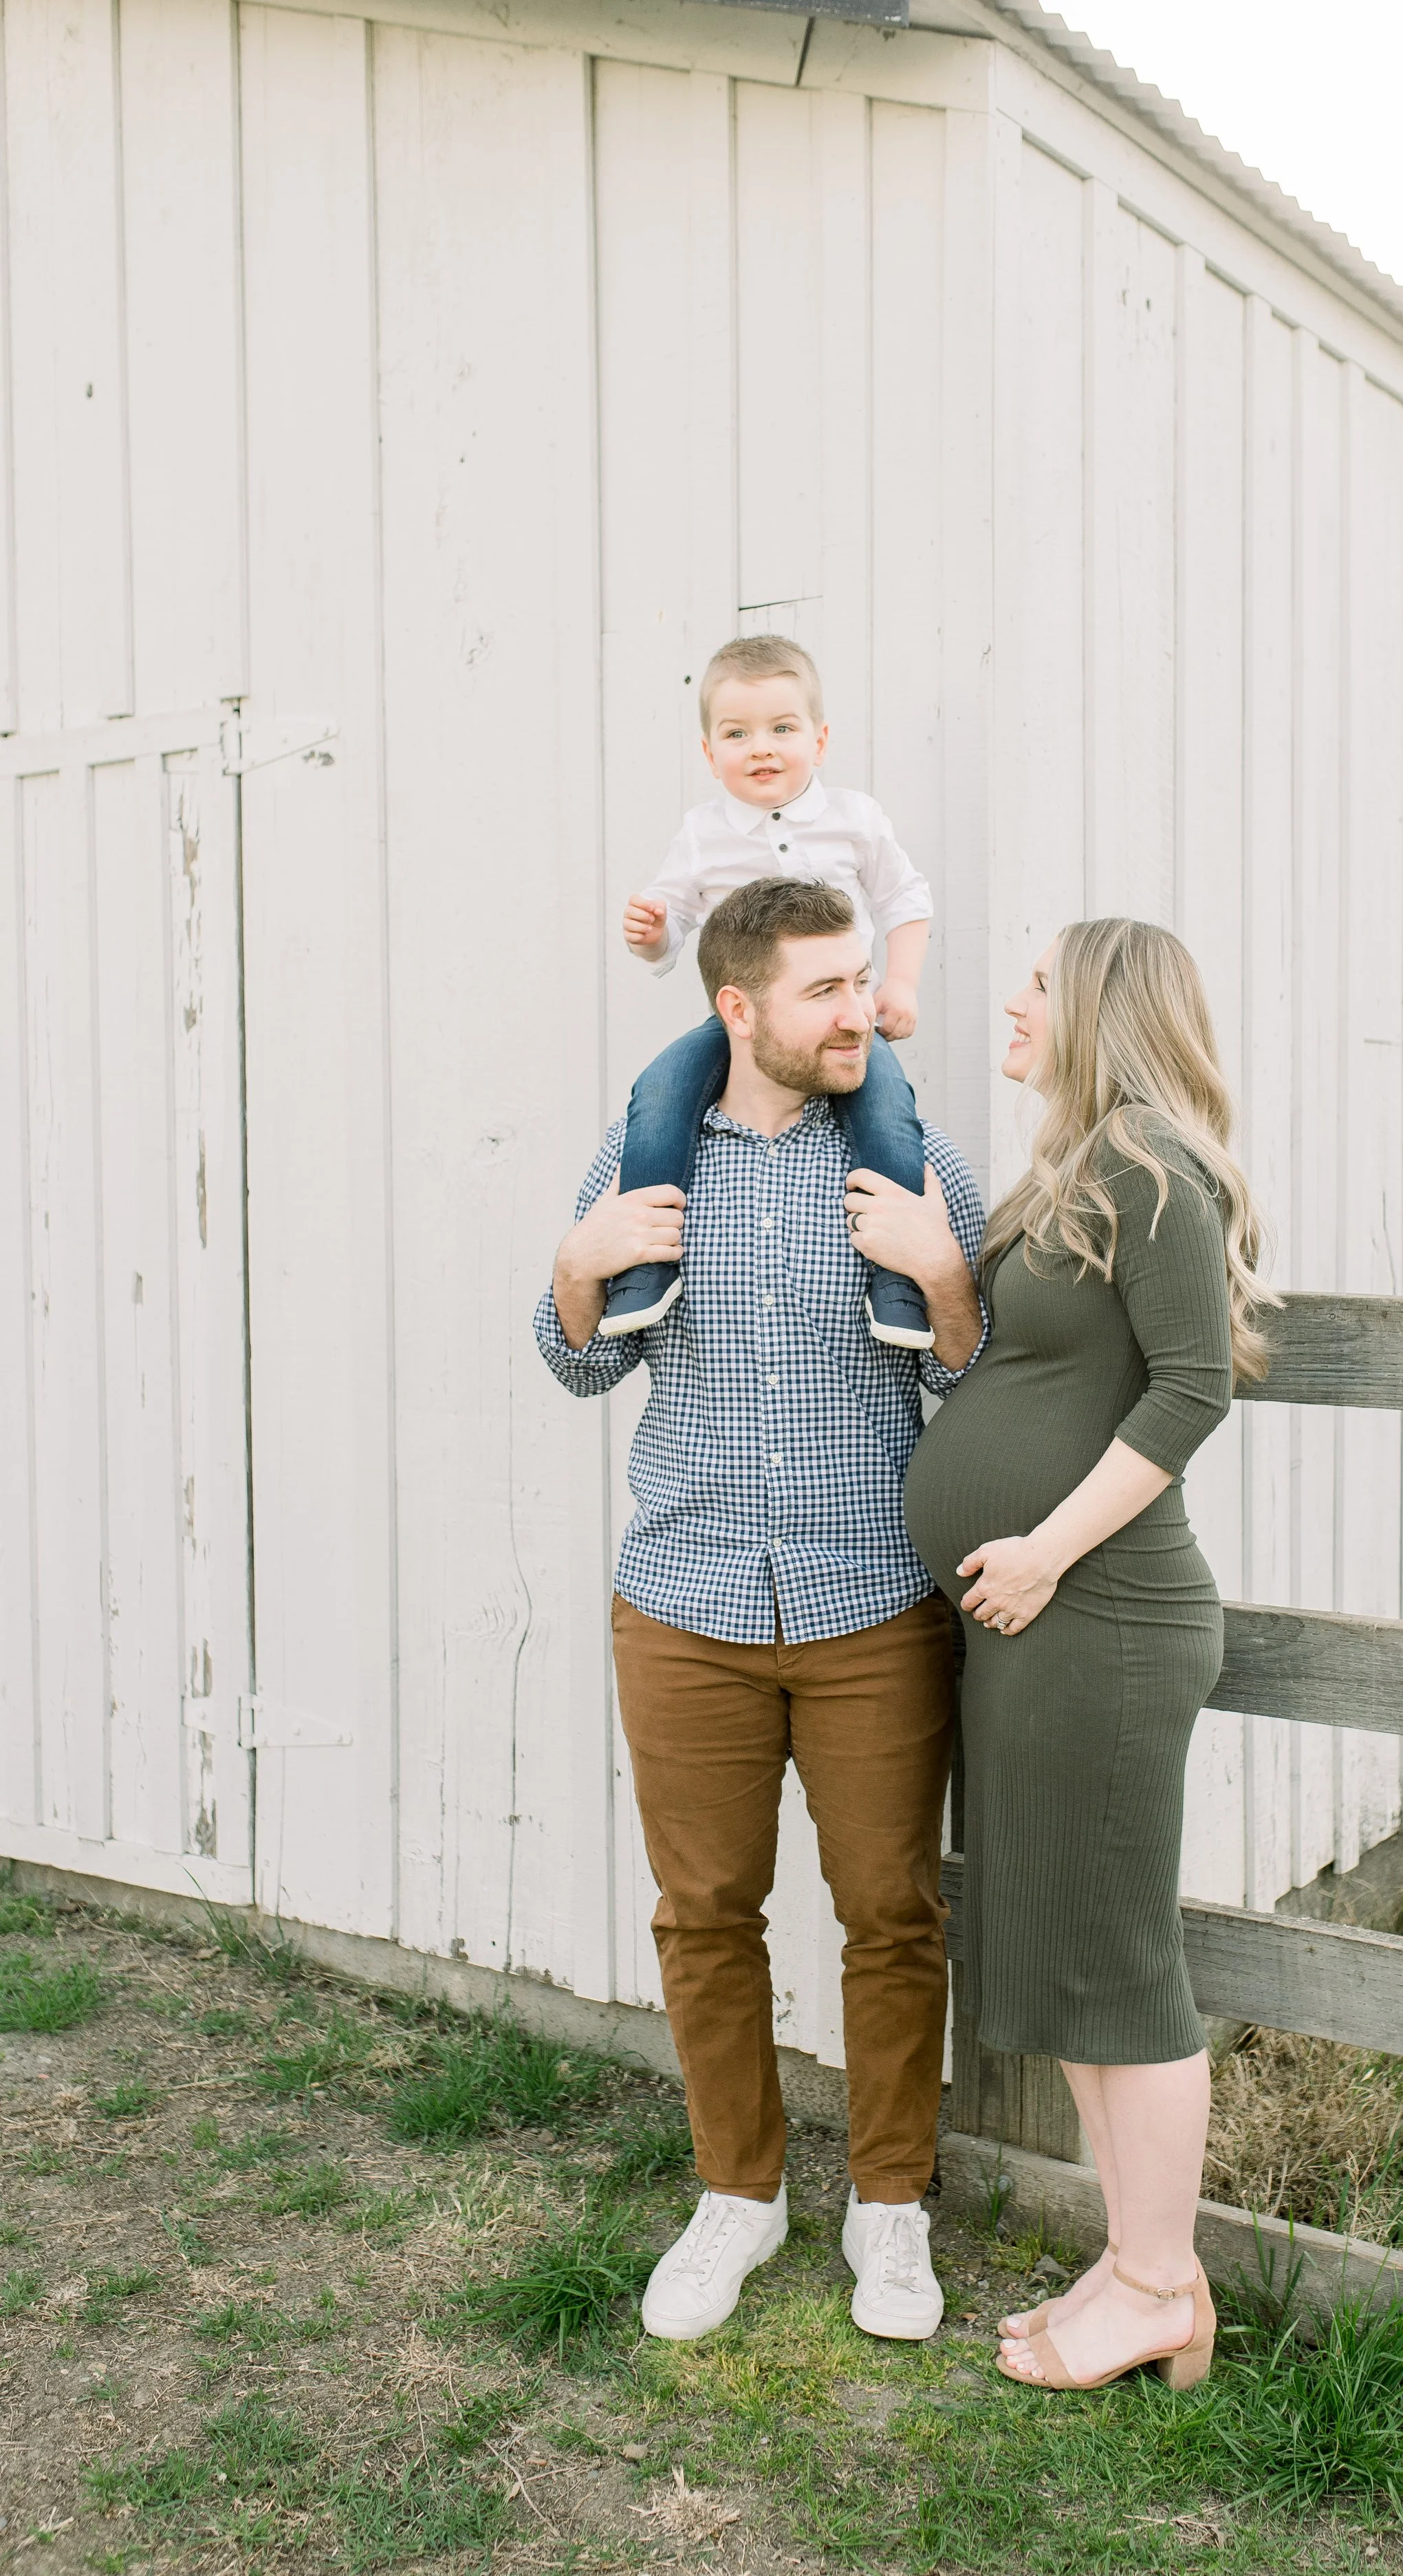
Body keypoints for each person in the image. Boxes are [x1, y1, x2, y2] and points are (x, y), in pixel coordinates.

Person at [535, 876, 986, 2346]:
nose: (862, 1009)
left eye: (864, 980)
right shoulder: (645, 1155)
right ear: (737, 1009)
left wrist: (947, 1287)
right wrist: (571, 1272)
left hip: (871, 1606)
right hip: (683, 1601)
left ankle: (889, 2210)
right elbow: (581, 1366)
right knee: (705, 1915)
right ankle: (737, 2194)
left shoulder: (917, 1165)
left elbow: (978, 1397)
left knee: (891, 1916)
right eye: (824, 990)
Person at [856, 918, 1275, 2394]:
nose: (1015, 1005)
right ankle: (1132, 2258)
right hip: (1034, 1625)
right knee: (1078, 1956)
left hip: (1095, 1616)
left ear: (1101, 1004)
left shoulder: (1154, 1165)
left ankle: (1161, 2283)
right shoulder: (1079, 1170)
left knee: (1120, 1961)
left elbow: (1185, 1394)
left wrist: (1042, 1548)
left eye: (1038, 985)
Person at [609, 634, 937, 1350]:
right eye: (737, 733)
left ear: (819, 739)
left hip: (844, 1019)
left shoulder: (855, 818)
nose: (761, 747)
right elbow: (668, 929)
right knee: (659, 1094)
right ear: (708, 753)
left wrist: (901, 983)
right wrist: (651, 933)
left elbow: (905, 900)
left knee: (886, 1111)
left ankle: (897, 1281)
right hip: (741, 1025)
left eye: (782, 728)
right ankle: (645, 1265)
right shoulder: (702, 835)